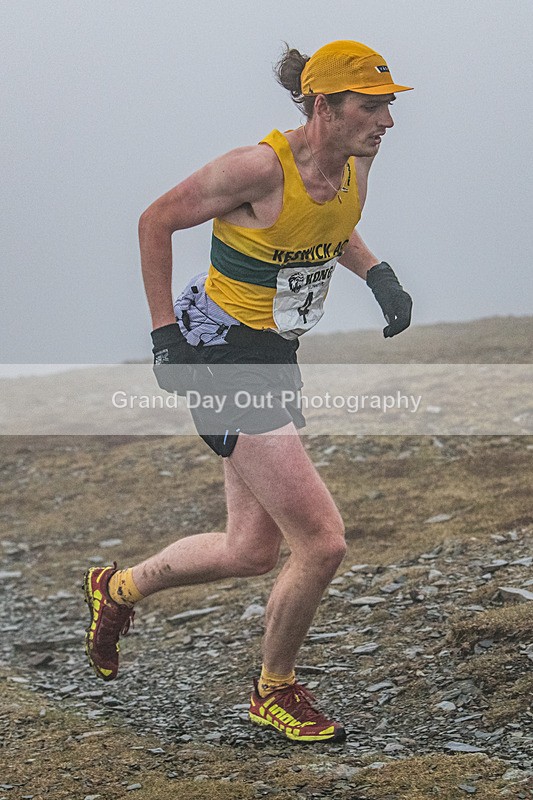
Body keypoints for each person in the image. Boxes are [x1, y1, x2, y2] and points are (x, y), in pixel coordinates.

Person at [84, 40, 413, 742]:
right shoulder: (256, 168)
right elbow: (155, 220)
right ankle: (274, 690)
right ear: (324, 105)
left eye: (388, 104)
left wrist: (375, 272)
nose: (385, 120)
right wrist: (162, 335)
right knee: (321, 543)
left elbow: (331, 222)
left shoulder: (355, 160)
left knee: (249, 550)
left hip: (271, 352)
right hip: (219, 351)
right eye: (370, 105)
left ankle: (116, 589)